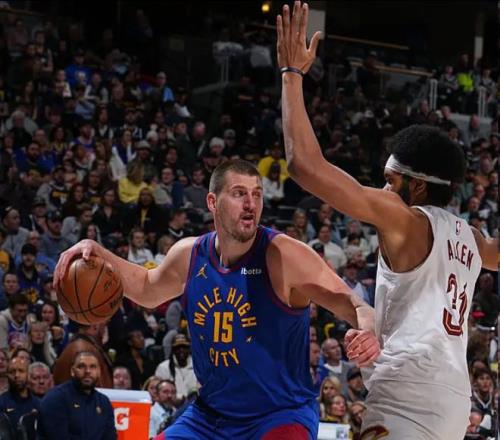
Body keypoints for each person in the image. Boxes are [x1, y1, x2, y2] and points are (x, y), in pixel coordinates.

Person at [276, 3, 497, 438]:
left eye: (390, 181)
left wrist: (291, 75)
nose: (383, 189)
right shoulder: (473, 239)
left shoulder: (405, 218)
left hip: (407, 392)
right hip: (454, 401)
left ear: (417, 186)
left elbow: (304, 165)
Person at [55, 159, 379, 440]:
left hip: (279, 415)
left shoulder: (284, 254)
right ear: (212, 201)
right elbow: (146, 288)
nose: (250, 204)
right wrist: (96, 251)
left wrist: (366, 332)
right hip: (211, 416)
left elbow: (356, 305)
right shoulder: (189, 254)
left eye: (257, 194)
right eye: (239, 194)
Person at [38, 351, 117, 440]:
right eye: (81, 366)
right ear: (72, 371)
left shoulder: (104, 402)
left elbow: (110, 436)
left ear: (99, 372)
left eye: (92, 367)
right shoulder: (55, 398)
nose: (87, 371)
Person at [0, 356, 40, 428]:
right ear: (7, 375)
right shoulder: (1, 403)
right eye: (12, 372)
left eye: (21, 371)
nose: (16, 375)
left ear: (28, 375)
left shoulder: (38, 403)